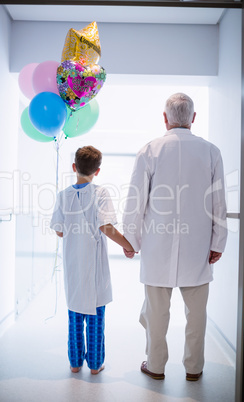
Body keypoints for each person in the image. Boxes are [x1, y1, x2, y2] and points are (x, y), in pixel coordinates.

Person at [122, 93, 227, 381]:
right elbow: (219, 202)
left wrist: (131, 241)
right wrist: (218, 243)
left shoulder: (149, 150)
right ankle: (194, 368)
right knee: (197, 313)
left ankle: (155, 366)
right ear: (193, 118)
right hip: (198, 246)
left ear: (165, 118)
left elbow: (135, 200)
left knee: (156, 312)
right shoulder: (211, 151)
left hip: (158, 244)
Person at [50, 145, 134, 375]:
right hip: (94, 267)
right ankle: (95, 366)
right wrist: (130, 246)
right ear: (97, 171)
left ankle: (75, 363)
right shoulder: (101, 193)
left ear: (74, 167)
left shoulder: (63, 196)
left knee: (75, 316)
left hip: (73, 265)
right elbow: (106, 227)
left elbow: (59, 231)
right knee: (96, 319)